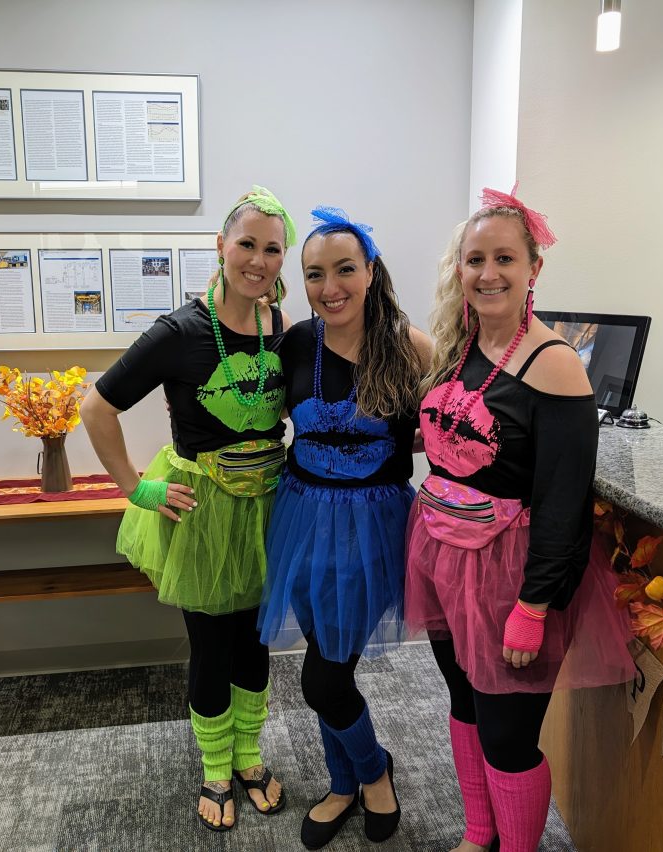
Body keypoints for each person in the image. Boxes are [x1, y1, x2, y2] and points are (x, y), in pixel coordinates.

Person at [405, 186, 634, 852]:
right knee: (465, 705)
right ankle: (480, 834)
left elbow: (564, 502)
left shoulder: (554, 364)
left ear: (534, 267)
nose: (488, 273)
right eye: (474, 259)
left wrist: (534, 605)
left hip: (511, 576)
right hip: (443, 554)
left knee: (508, 736)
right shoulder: (464, 344)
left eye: (504, 258)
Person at [80, 186, 296, 833]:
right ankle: (215, 769)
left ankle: (250, 755)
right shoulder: (180, 331)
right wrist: (137, 489)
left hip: (267, 510)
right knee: (211, 645)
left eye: (272, 249)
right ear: (221, 245)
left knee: (256, 640)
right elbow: (97, 408)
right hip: (203, 511)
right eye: (247, 244)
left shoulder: (280, 326)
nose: (258, 260)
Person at [257, 206, 432, 849]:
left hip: (372, 527)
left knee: (323, 678)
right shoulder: (294, 343)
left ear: (371, 271)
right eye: (314, 274)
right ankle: (341, 783)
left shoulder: (411, 347)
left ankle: (374, 770)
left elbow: (448, 428)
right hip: (302, 518)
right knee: (325, 661)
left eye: (344, 270)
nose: (330, 287)